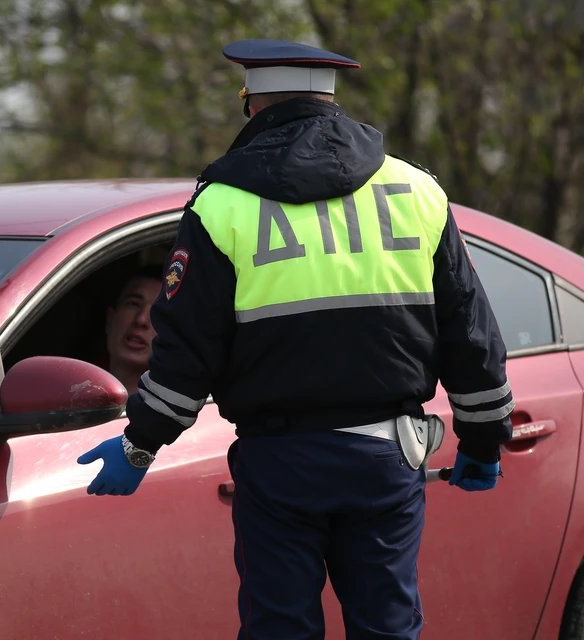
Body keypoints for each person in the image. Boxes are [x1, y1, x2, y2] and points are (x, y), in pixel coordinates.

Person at [77, 38, 514, 640]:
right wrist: (484, 438)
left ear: (252, 107)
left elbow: (187, 352)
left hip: (280, 463)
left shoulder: (221, 204)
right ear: (331, 103)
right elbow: (470, 334)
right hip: (387, 457)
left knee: (280, 628)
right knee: (387, 627)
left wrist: (140, 445)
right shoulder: (417, 191)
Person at [101, 265, 163, 393]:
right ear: (110, 320)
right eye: (133, 304)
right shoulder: (72, 390)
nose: (140, 320)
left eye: (159, 312)